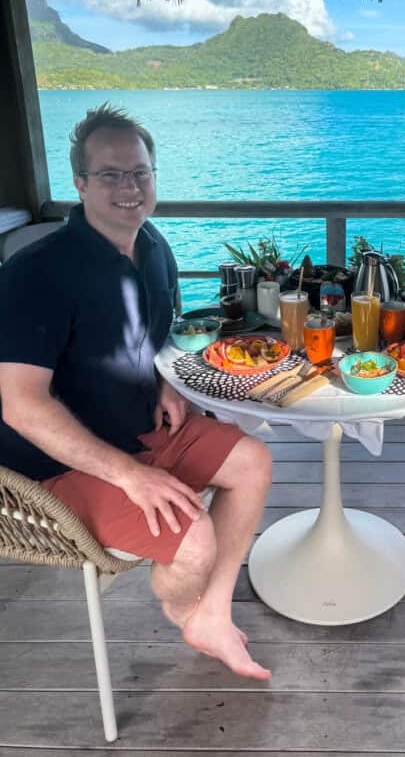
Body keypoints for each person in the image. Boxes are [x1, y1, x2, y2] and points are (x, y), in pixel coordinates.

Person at [0, 104, 272, 680]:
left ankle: (213, 614)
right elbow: (19, 403)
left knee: (254, 462)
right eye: (111, 174)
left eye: (140, 173)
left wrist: (161, 384)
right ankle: (182, 607)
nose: (129, 187)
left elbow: (148, 338)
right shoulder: (35, 274)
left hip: (140, 427)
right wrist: (128, 475)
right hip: (50, 470)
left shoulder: (153, 246)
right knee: (194, 543)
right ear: (80, 182)